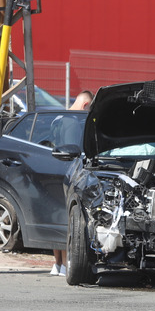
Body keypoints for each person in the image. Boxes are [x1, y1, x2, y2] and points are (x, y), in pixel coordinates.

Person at [51, 90, 94, 276]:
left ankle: (57, 264)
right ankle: (66, 266)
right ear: (85, 105)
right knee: (69, 220)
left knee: (57, 218)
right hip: (67, 175)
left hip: (51, 171)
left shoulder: (57, 117)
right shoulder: (72, 122)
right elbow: (73, 153)